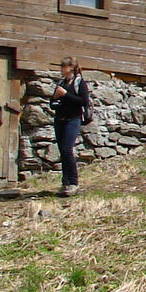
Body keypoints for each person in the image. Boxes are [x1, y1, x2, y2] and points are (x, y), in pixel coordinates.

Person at [51, 57, 93, 197]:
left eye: (64, 67)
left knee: (67, 150)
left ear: (71, 68)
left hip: (73, 120)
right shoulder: (62, 82)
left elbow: (83, 101)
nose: (61, 69)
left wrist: (65, 95)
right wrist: (56, 97)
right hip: (60, 120)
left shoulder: (79, 82)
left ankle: (73, 182)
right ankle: (65, 182)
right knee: (62, 151)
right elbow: (52, 103)